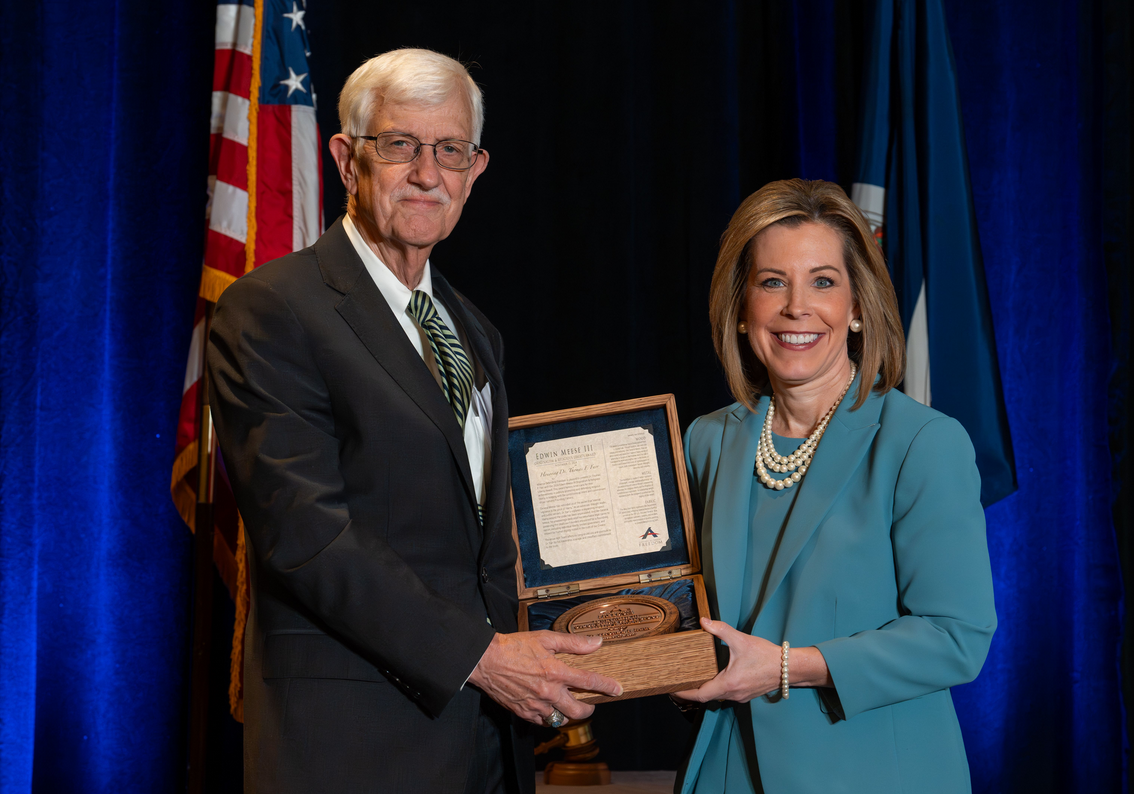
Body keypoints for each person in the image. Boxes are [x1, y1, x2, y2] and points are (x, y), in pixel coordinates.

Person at [207, 48, 621, 794]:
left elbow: (483, 544)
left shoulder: (475, 332)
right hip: (352, 745)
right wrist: (483, 658)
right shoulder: (272, 310)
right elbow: (306, 536)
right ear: (345, 158)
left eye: (451, 150)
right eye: (400, 145)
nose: (428, 174)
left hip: (489, 742)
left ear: (475, 168)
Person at [672, 179, 997, 793]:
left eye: (823, 281)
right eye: (773, 282)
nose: (798, 307)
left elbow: (956, 636)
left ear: (855, 308)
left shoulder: (921, 442)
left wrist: (786, 668)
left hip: (870, 772)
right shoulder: (708, 440)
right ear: (742, 309)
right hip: (728, 771)